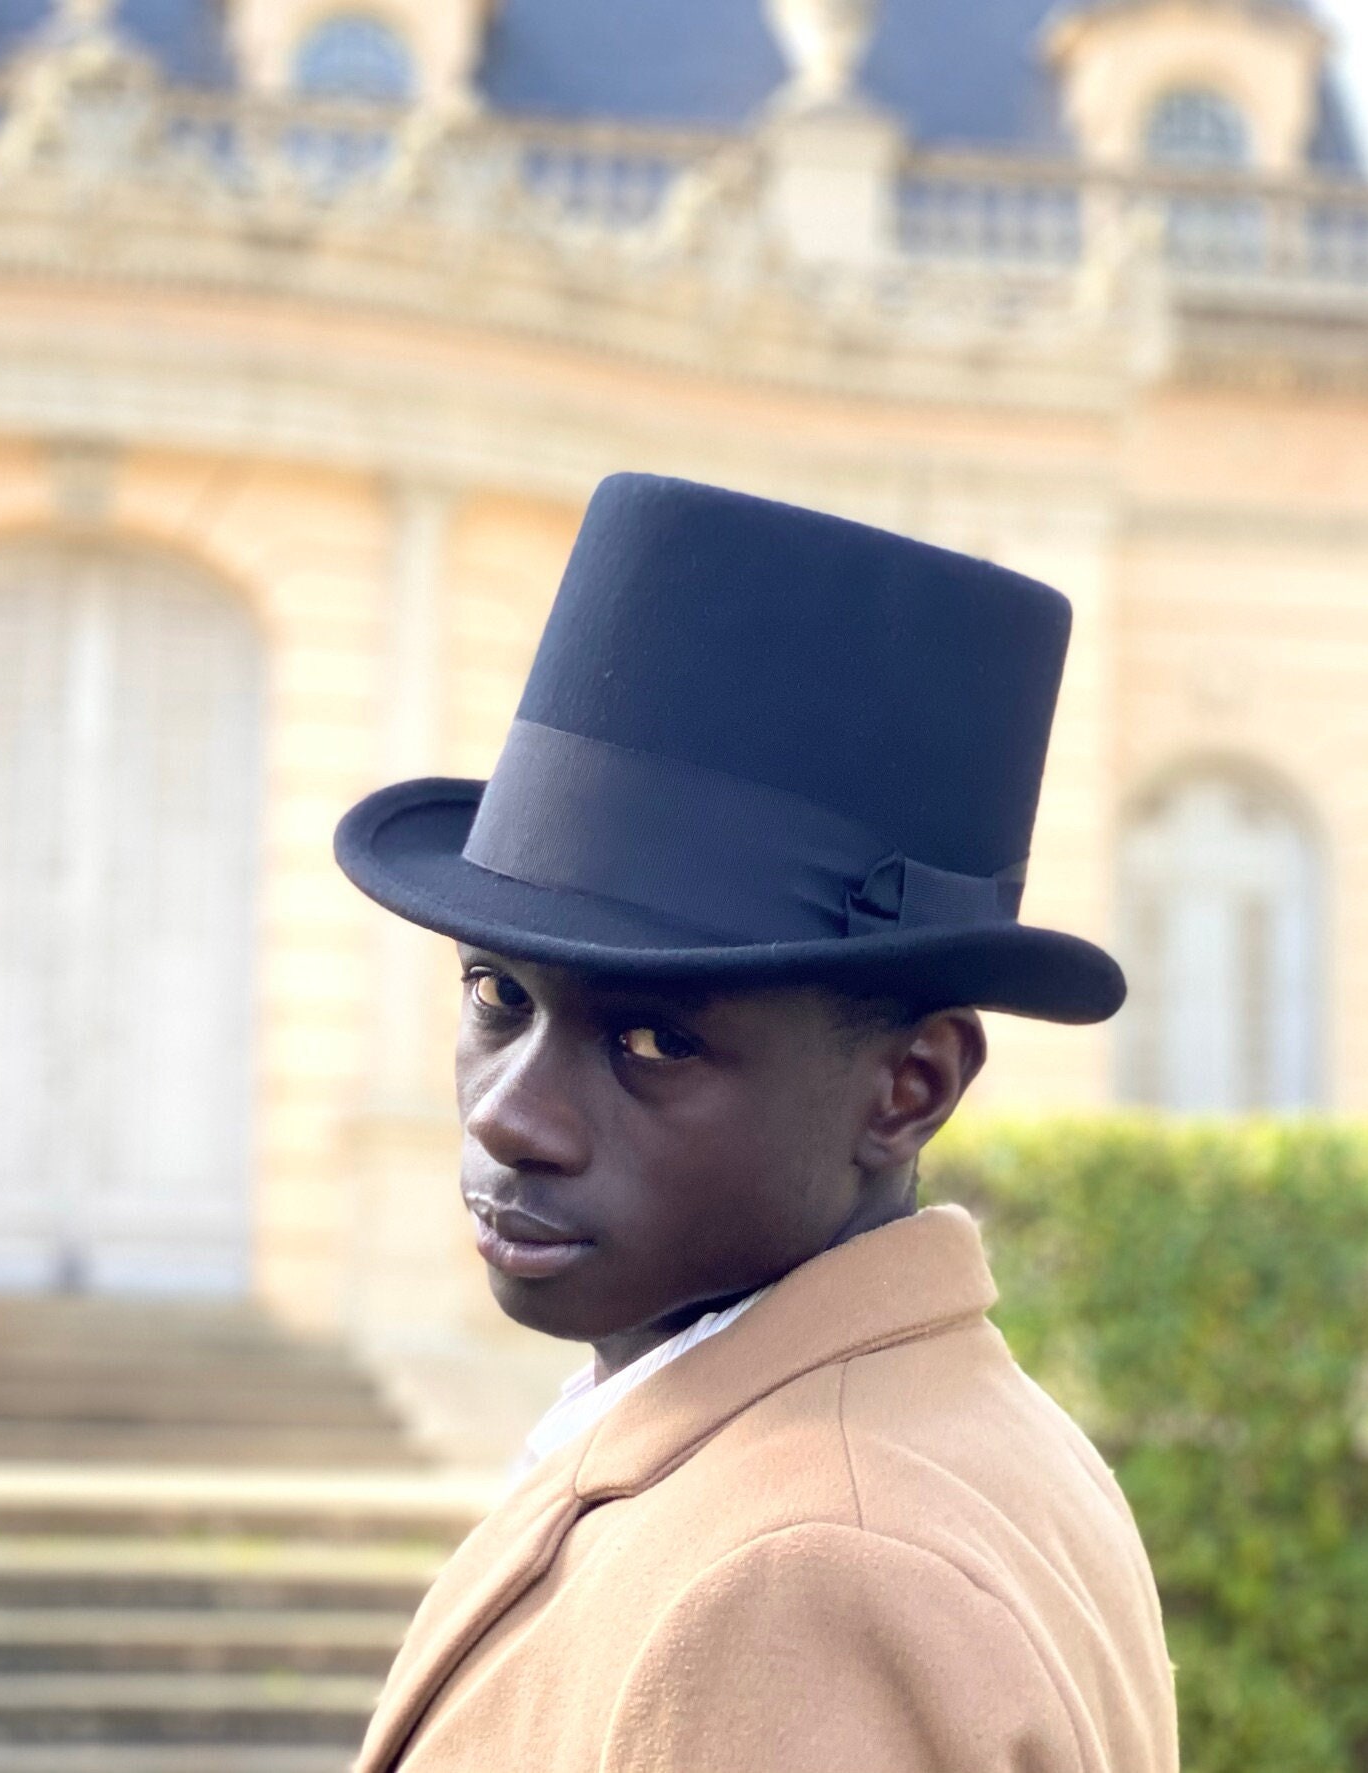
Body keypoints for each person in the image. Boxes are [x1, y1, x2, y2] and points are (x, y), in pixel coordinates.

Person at [334, 473, 1178, 1772]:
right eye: (497, 993)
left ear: (908, 1086)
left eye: (656, 1039)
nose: (512, 1116)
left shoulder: (805, 1572)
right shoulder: (944, 1428)